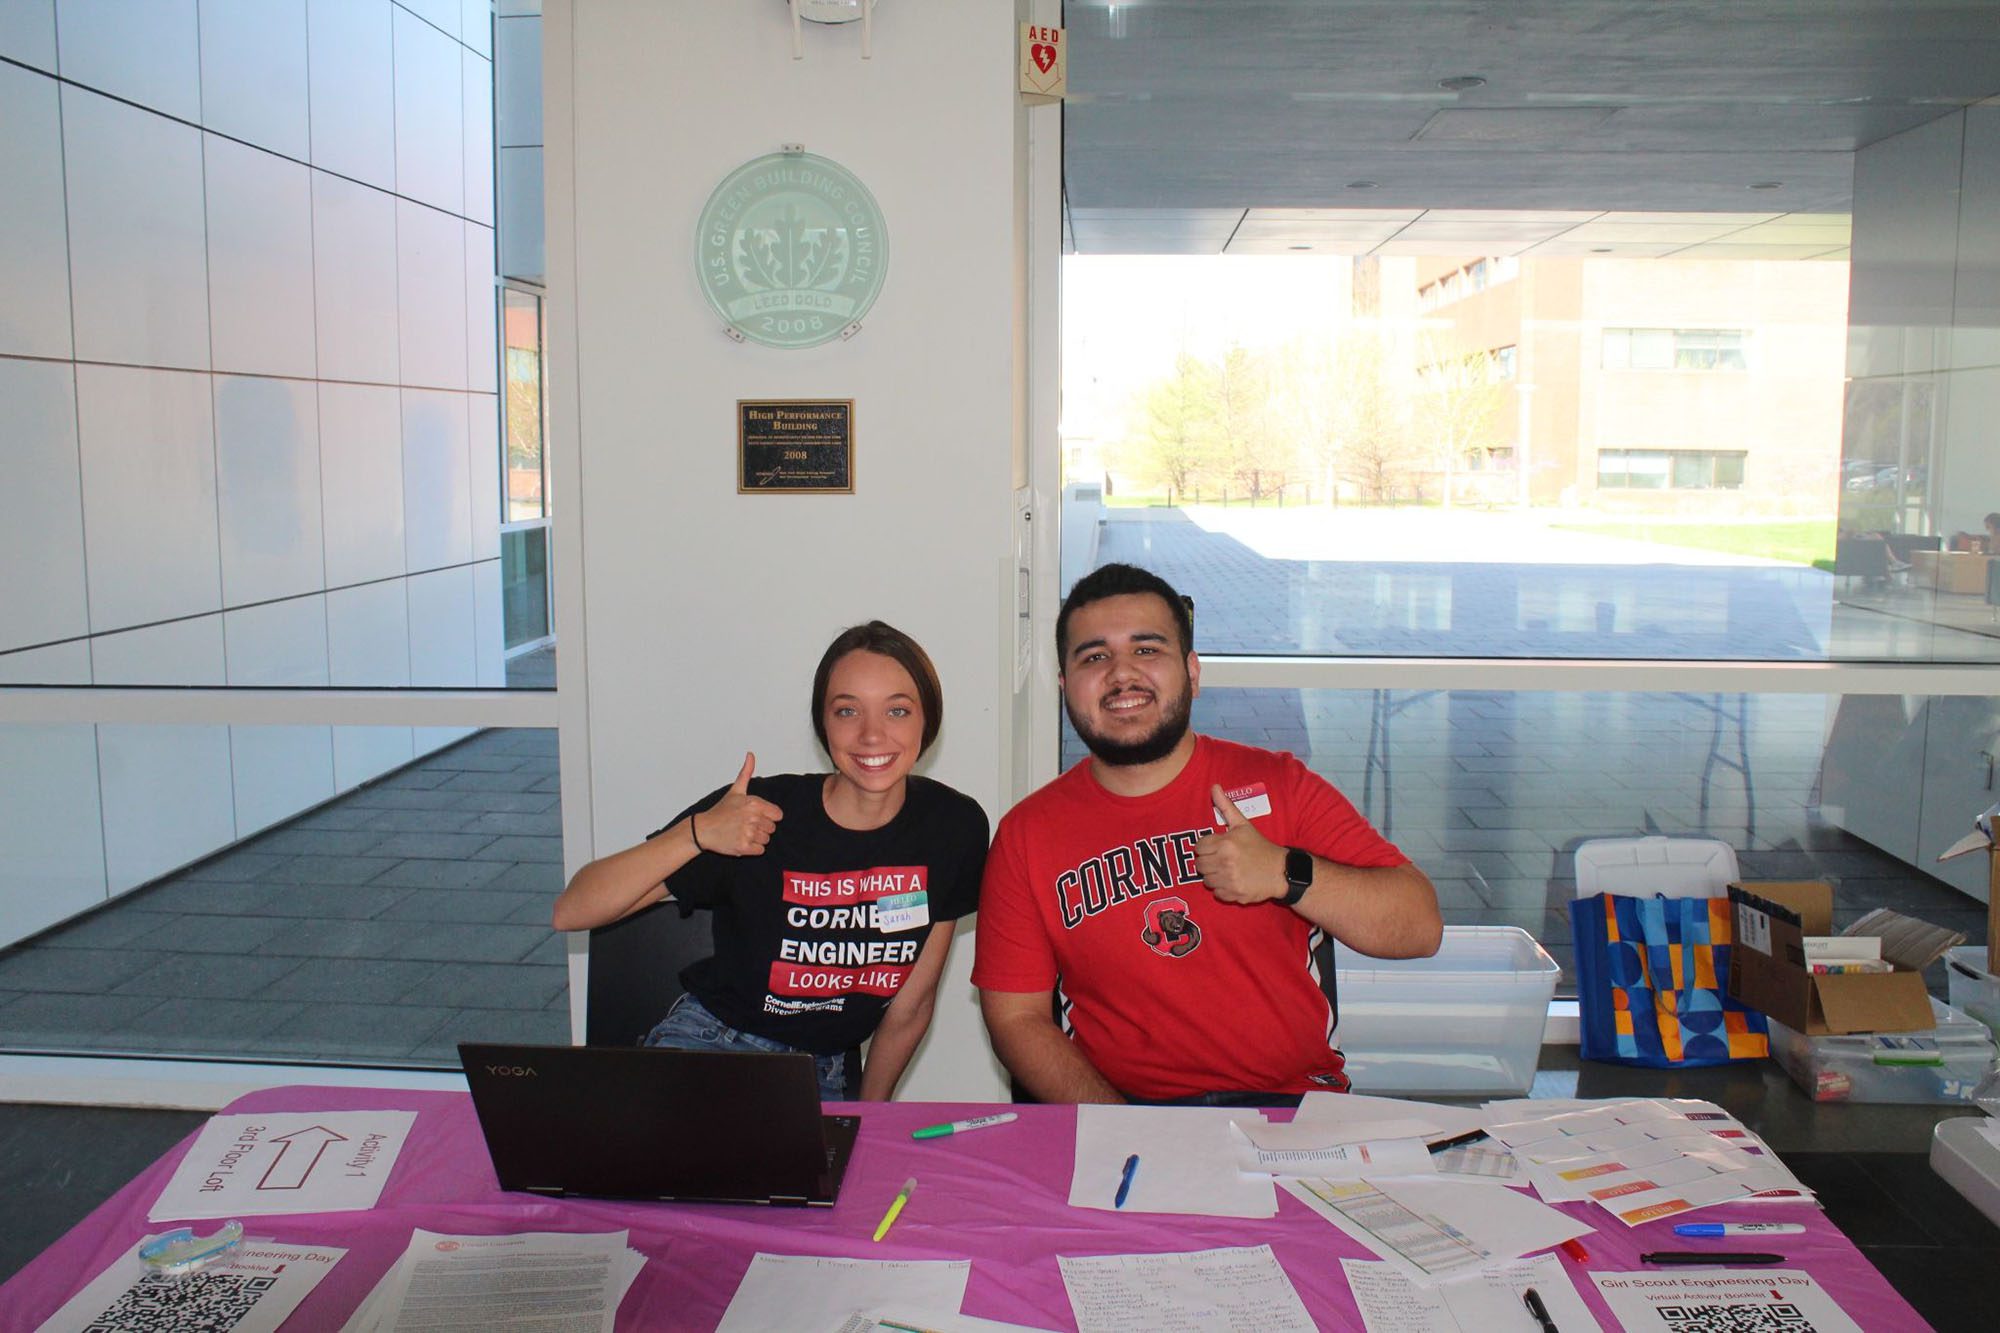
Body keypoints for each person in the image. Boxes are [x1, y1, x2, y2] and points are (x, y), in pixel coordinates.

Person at [972, 563, 1442, 1106]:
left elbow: (1420, 927)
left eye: (1147, 650)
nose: (1122, 674)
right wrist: (1119, 1128)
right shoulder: (1027, 834)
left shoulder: (1279, 785)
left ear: (1193, 673)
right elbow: (1015, 1017)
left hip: (1291, 1106)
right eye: (1095, 656)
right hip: (1123, 1108)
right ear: (1064, 686)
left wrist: (1287, 874)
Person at [552, 621, 989, 1101]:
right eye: (848, 710)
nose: (871, 734)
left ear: (928, 720)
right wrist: (696, 834)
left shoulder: (953, 828)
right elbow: (572, 910)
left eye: (898, 710)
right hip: (712, 1044)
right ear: (824, 723)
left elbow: (911, 1006)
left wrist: (867, 1120)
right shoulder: (763, 814)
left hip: (822, 1073)